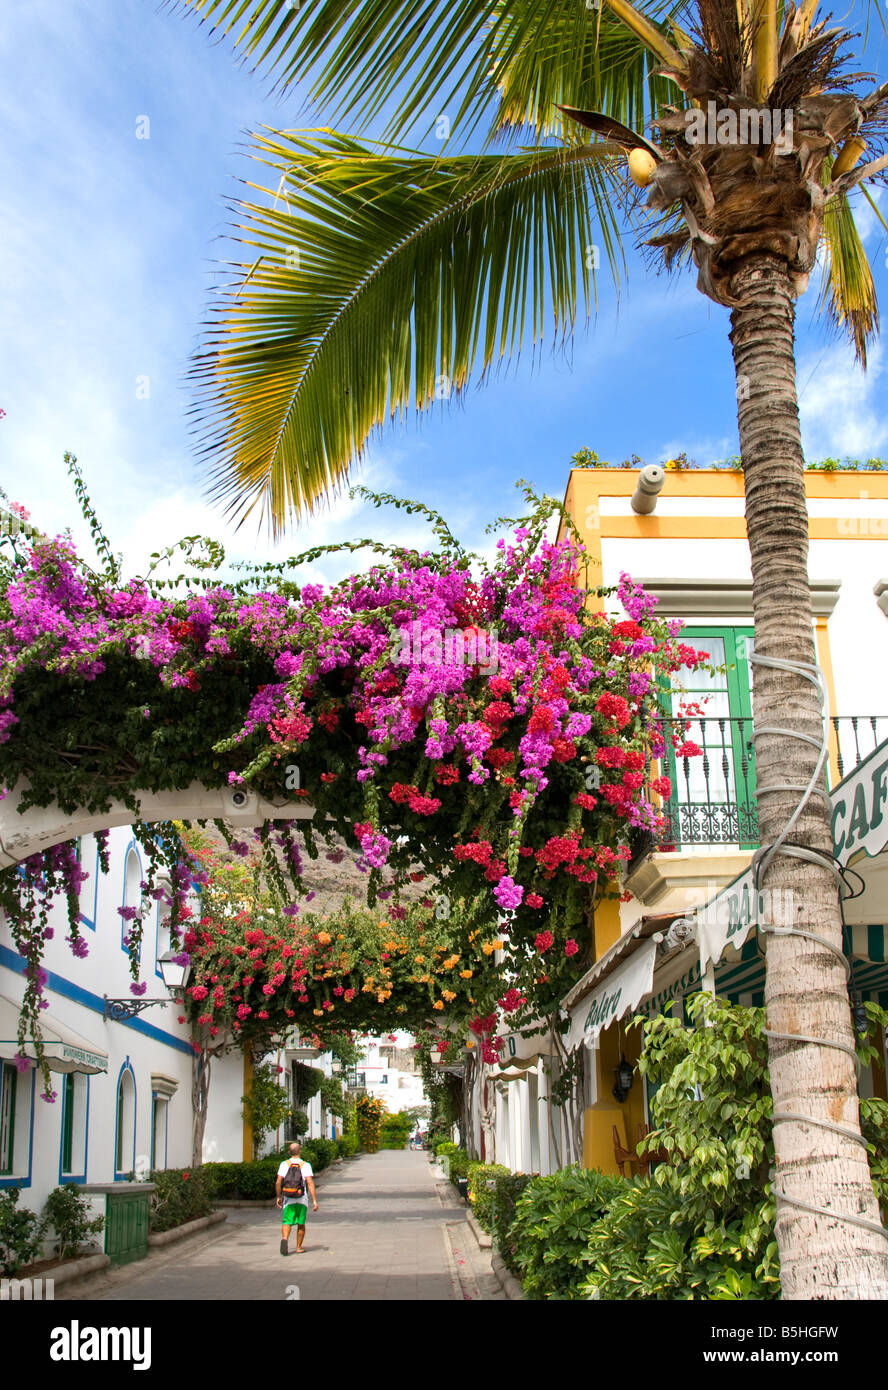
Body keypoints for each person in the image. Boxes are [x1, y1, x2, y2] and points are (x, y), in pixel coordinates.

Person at [275, 1141, 318, 1255]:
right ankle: (298, 1247)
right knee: (301, 1223)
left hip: (288, 1198)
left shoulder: (284, 1164)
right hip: (301, 1199)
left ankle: (285, 1238)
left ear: (289, 1152)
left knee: (287, 1221)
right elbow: (310, 1182)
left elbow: (278, 1181)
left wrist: (279, 1196)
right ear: (300, 1151)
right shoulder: (306, 1165)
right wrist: (314, 1200)